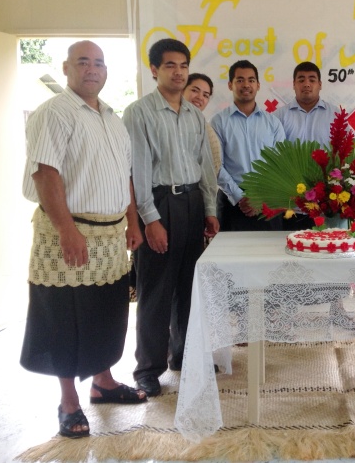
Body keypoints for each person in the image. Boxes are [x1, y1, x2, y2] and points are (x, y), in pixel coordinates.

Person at [20, 40, 147, 439]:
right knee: (64, 316)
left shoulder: (111, 117)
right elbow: (45, 173)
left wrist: (133, 220)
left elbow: (123, 174)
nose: (92, 69)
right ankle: (68, 402)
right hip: (68, 231)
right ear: (66, 68)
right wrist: (65, 230)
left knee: (105, 312)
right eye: (83, 62)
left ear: (107, 71)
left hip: (111, 235)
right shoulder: (54, 113)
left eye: (99, 63)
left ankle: (103, 382)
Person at [123, 38, 220, 397]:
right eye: (169, 66)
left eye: (182, 65)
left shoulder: (195, 113)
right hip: (160, 205)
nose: (178, 72)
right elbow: (137, 171)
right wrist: (149, 219)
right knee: (155, 291)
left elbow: (205, 167)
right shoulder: (139, 113)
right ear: (154, 70)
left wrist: (209, 209)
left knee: (187, 287)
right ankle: (148, 368)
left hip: (192, 203)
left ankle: (183, 355)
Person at [211, 59, 285, 231]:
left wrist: (261, 197)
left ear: (258, 85)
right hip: (232, 202)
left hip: (267, 201)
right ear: (230, 85)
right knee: (231, 256)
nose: (246, 85)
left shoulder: (272, 122)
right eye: (240, 80)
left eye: (251, 80)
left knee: (269, 254)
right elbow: (215, 165)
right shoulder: (218, 122)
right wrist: (239, 197)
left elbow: (280, 164)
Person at [274, 61, 341, 230]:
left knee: (326, 249)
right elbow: (273, 156)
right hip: (290, 201)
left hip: (327, 201)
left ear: (320, 84)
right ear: (294, 85)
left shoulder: (336, 115)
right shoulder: (278, 117)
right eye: (301, 79)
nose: (306, 84)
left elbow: (344, 156)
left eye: (312, 79)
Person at [183, 72, 222, 177]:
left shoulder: (205, 127)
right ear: (181, 90)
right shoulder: (166, 121)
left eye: (205, 95)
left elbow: (214, 164)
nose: (200, 97)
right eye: (195, 90)